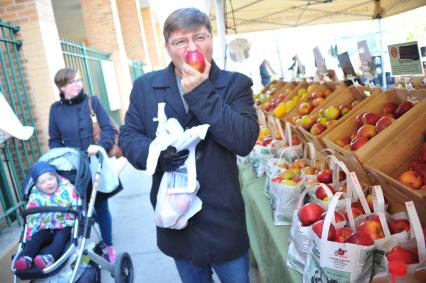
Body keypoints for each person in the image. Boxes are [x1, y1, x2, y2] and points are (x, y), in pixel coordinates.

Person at [119, 7, 259, 283]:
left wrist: (201, 92)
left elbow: (243, 140)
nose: (191, 47)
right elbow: (128, 137)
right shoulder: (146, 87)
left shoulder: (235, 85)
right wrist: (156, 154)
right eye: (180, 41)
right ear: (168, 47)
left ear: (211, 39)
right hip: (177, 222)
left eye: (200, 37)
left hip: (222, 219)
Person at [48, 67, 117, 263]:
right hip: (72, 168)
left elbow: (108, 131)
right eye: (72, 82)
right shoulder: (55, 109)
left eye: (79, 80)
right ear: (62, 87)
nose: (78, 84)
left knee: (101, 205)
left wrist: (99, 146)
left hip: (95, 163)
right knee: (79, 208)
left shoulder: (92, 102)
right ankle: (81, 249)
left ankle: (109, 244)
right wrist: (62, 158)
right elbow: (54, 140)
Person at [14, 161, 78, 270]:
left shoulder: (66, 189)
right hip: (46, 226)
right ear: (37, 186)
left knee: (60, 237)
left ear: (56, 177)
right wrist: (32, 227)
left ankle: (49, 257)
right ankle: (27, 258)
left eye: (51, 179)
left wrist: (77, 213)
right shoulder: (36, 196)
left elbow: (76, 203)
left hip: (64, 225)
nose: (48, 183)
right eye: (43, 182)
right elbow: (31, 214)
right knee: (36, 237)